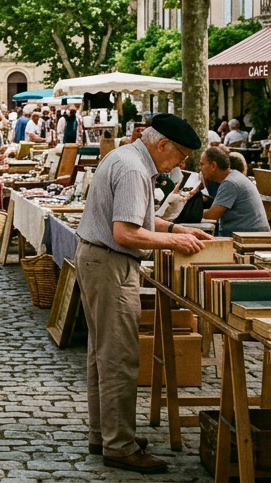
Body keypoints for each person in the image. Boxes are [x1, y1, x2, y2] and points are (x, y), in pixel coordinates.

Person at [75, 114, 210, 473]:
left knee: (101, 354)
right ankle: (119, 445)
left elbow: (139, 218)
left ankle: (104, 433)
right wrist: (174, 240)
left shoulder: (127, 159)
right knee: (118, 357)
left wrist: (178, 228)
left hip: (97, 260)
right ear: (162, 144)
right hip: (110, 263)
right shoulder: (135, 169)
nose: (181, 164)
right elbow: (126, 232)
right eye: (181, 155)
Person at [198, 145, 269, 236]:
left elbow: (212, 215)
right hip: (250, 236)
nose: (200, 168)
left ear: (213, 165)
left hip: (250, 239)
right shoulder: (234, 176)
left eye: (202, 164)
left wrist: (185, 213)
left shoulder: (230, 183)